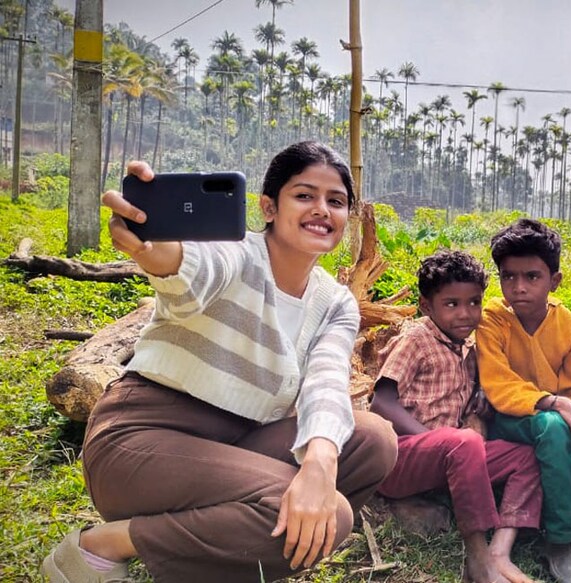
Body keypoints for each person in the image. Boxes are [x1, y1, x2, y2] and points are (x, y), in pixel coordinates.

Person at [41, 141, 399, 582]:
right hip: (141, 443)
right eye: (304, 195)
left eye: (336, 201)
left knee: (373, 441)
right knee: (331, 513)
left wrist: (319, 465)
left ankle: (209, 558)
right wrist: (152, 250)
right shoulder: (237, 252)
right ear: (269, 207)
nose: (321, 209)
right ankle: (107, 544)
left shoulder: (336, 302)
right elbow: (191, 271)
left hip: (237, 447)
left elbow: (326, 382)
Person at [371, 250, 541, 583]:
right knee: (463, 442)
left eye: (474, 302)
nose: (465, 314)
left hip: (454, 458)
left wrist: (477, 409)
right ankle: (478, 556)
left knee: (526, 457)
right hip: (402, 456)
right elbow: (382, 402)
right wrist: (438, 441)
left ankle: (501, 548)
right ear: (426, 306)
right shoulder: (416, 340)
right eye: (451, 304)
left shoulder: (468, 347)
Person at [476, 218, 571, 583]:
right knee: (552, 426)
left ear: (554, 281)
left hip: (557, 429)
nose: (519, 287)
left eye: (532, 276)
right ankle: (563, 540)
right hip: (509, 422)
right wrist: (554, 403)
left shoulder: (568, 326)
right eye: (509, 276)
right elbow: (498, 384)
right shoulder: (492, 319)